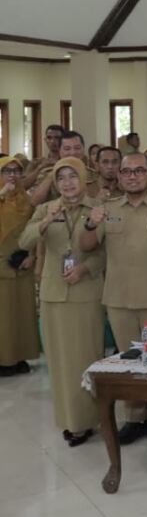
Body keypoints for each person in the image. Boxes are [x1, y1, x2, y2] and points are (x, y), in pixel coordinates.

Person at [80, 151, 147, 445]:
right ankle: (136, 419)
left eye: (139, 171)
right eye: (127, 171)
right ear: (119, 175)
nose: (133, 176)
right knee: (130, 364)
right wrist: (90, 224)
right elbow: (87, 246)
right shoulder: (107, 208)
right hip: (119, 300)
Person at [19, 158, 106, 446]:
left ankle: (88, 418)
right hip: (53, 294)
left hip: (86, 293)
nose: (67, 183)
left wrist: (85, 268)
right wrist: (45, 222)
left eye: (73, 176)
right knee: (59, 361)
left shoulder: (96, 208)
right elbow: (24, 241)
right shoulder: (46, 209)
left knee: (85, 357)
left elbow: (106, 252)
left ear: (83, 179)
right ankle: (69, 420)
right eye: (61, 178)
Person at [0, 156, 37, 376]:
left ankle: (19, 356)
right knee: (3, 315)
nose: (12, 175)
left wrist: (32, 255)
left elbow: (36, 228)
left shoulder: (26, 200)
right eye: (7, 171)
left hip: (22, 263)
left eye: (16, 171)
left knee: (22, 313)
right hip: (0, 264)